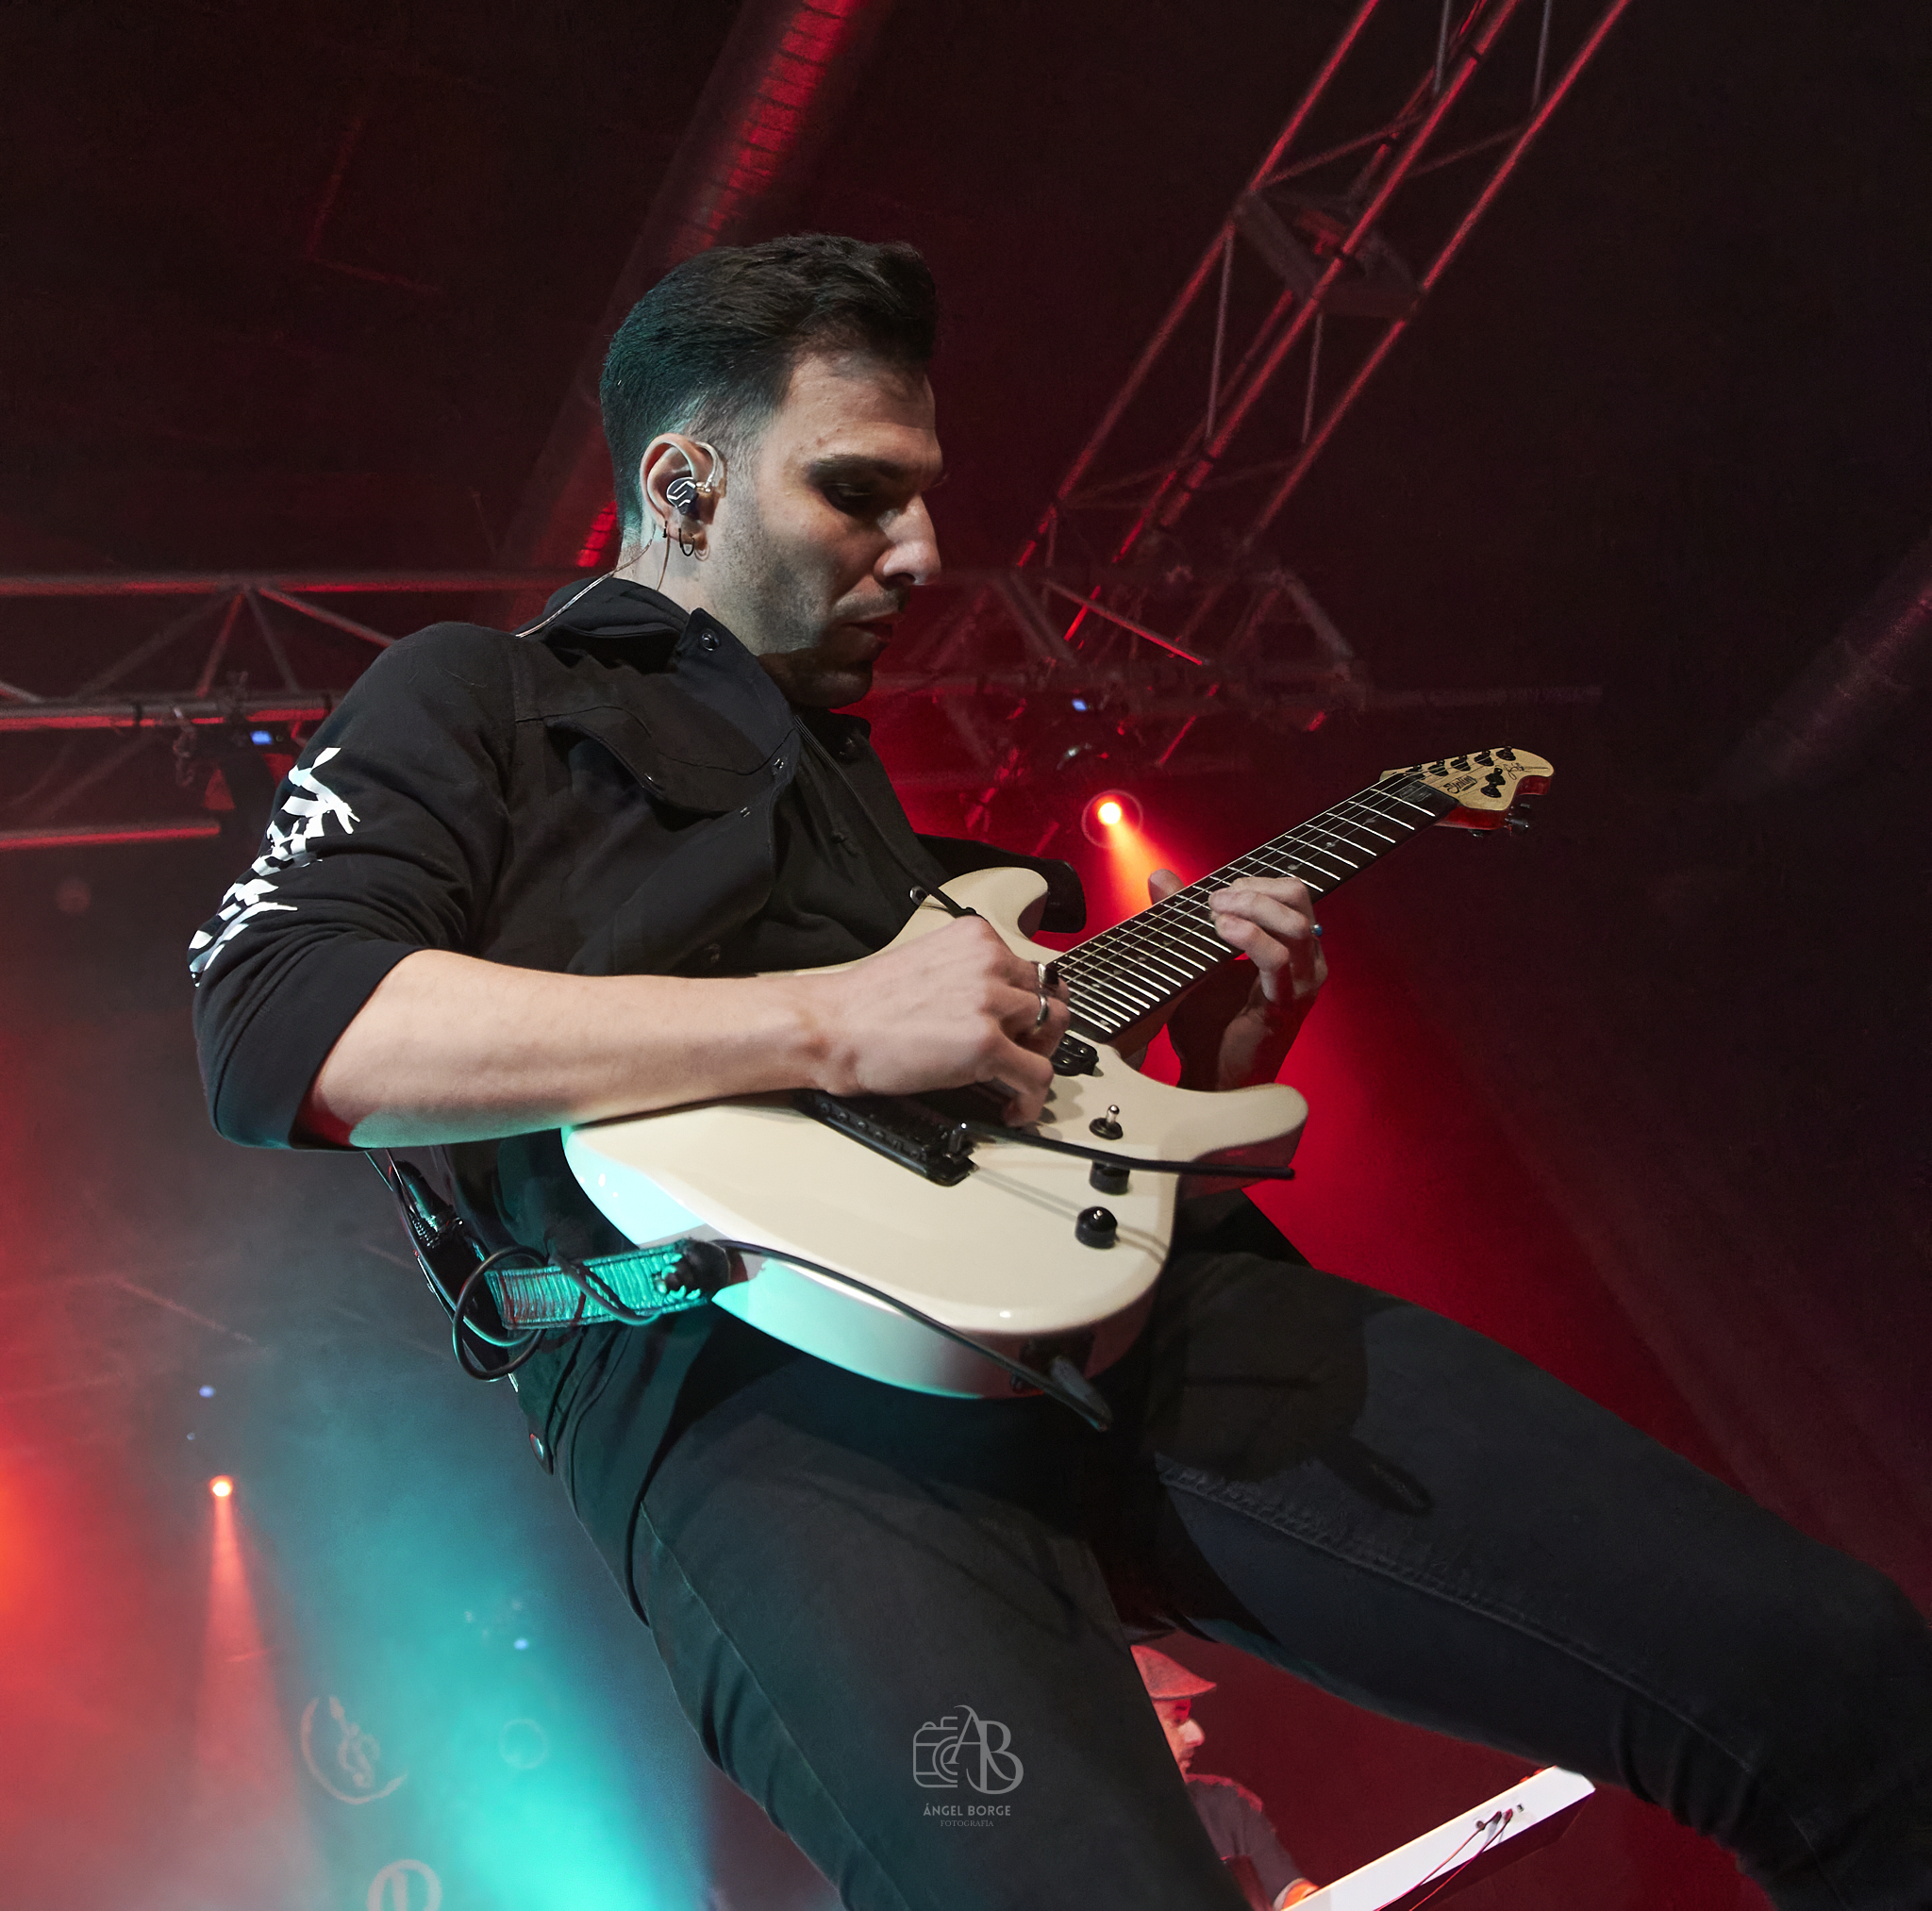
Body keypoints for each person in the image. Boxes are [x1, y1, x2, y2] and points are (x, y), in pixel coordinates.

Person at [190, 234, 1932, 1911]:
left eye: (926, 495)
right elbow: (279, 1022)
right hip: (746, 1409)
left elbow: (981, 1074)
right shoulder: (474, 698)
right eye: (860, 492)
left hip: (1140, 1317)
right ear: (684, 485)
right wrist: (826, 1022)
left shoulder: (872, 802)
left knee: (1838, 1676)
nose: (923, 551)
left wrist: (1195, 1073)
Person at [1134, 1645, 1317, 1909]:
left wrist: (1315, 1900)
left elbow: (1288, 1892)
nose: (1197, 1736)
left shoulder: (1226, 1804)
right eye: (1177, 1720)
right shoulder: (1089, 1835)